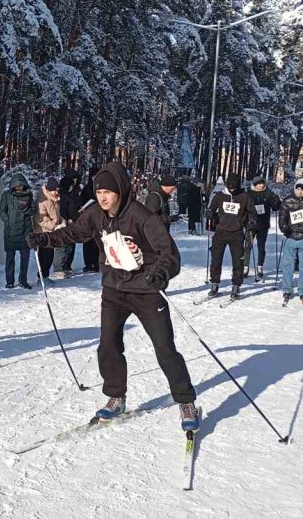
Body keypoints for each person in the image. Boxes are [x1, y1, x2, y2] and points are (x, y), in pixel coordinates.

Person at [25, 161, 199, 432]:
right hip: (114, 290)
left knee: (164, 348)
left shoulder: (142, 216)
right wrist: (45, 240)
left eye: (107, 192)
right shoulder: (95, 214)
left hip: (146, 290)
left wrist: (160, 274)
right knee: (108, 345)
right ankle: (116, 397)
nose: (102, 197)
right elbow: (74, 233)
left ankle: (186, 401)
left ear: (120, 190)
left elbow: (169, 253)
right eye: (98, 192)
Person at [206, 172, 255, 299]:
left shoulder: (244, 196)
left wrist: (251, 221)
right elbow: (211, 207)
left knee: (238, 261)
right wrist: (210, 213)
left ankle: (236, 285)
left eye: (234, 187)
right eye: (230, 187)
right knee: (216, 259)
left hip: (237, 232)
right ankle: (214, 284)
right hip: (220, 232)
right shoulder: (220, 195)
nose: (232, 189)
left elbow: (252, 212)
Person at [0, 172, 35, 289]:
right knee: (10, 257)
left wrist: (26, 210)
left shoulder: (29, 195)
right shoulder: (6, 195)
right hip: (11, 231)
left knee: (25, 258)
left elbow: (33, 210)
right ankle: (10, 281)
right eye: (17, 186)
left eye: (21, 186)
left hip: (25, 230)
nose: (19, 188)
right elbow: (1, 211)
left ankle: (23, 280)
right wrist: (8, 221)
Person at [245, 174, 281, 280]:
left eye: (262, 183)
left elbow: (275, 207)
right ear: (254, 184)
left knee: (261, 246)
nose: (261, 185)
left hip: (263, 225)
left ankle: (260, 266)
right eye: (259, 184)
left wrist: (276, 201)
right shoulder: (248, 193)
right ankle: (245, 267)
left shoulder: (268, 193)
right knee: (247, 246)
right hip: (250, 224)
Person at [32, 177, 63, 281]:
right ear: (49, 190)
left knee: (49, 255)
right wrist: (54, 226)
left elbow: (56, 214)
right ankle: (42, 277)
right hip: (42, 232)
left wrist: (61, 221)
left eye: (57, 190)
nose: (56, 193)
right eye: (54, 190)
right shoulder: (43, 200)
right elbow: (40, 218)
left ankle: (46, 276)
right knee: (45, 256)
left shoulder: (55, 199)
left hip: (51, 232)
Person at [279, 177, 303, 304]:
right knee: (288, 265)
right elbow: (282, 218)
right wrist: (284, 228)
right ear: (295, 188)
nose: (300, 191)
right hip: (290, 237)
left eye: (302, 189)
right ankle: (287, 289)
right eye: (298, 189)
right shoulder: (287, 201)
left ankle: (302, 290)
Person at [54, 171, 81, 278]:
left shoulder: (76, 190)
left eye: (76, 178)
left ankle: (67, 266)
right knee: (62, 245)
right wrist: (65, 219)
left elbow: (77, 204)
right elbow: (61, 206)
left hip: (74, 220)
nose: (75, 180)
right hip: (64, 220)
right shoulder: (62, 190)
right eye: (73, 178)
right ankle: (59, 268)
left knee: (71, 245)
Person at [79, 166, 100, 272]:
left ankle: (96, 263)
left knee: (97, 242)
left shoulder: (101, 188)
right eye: (93, 176)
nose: (95, 178)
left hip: (99, 217)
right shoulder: (87, 188)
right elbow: (81, 202)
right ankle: (88, 264)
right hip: (88, 217)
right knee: (88, 241)